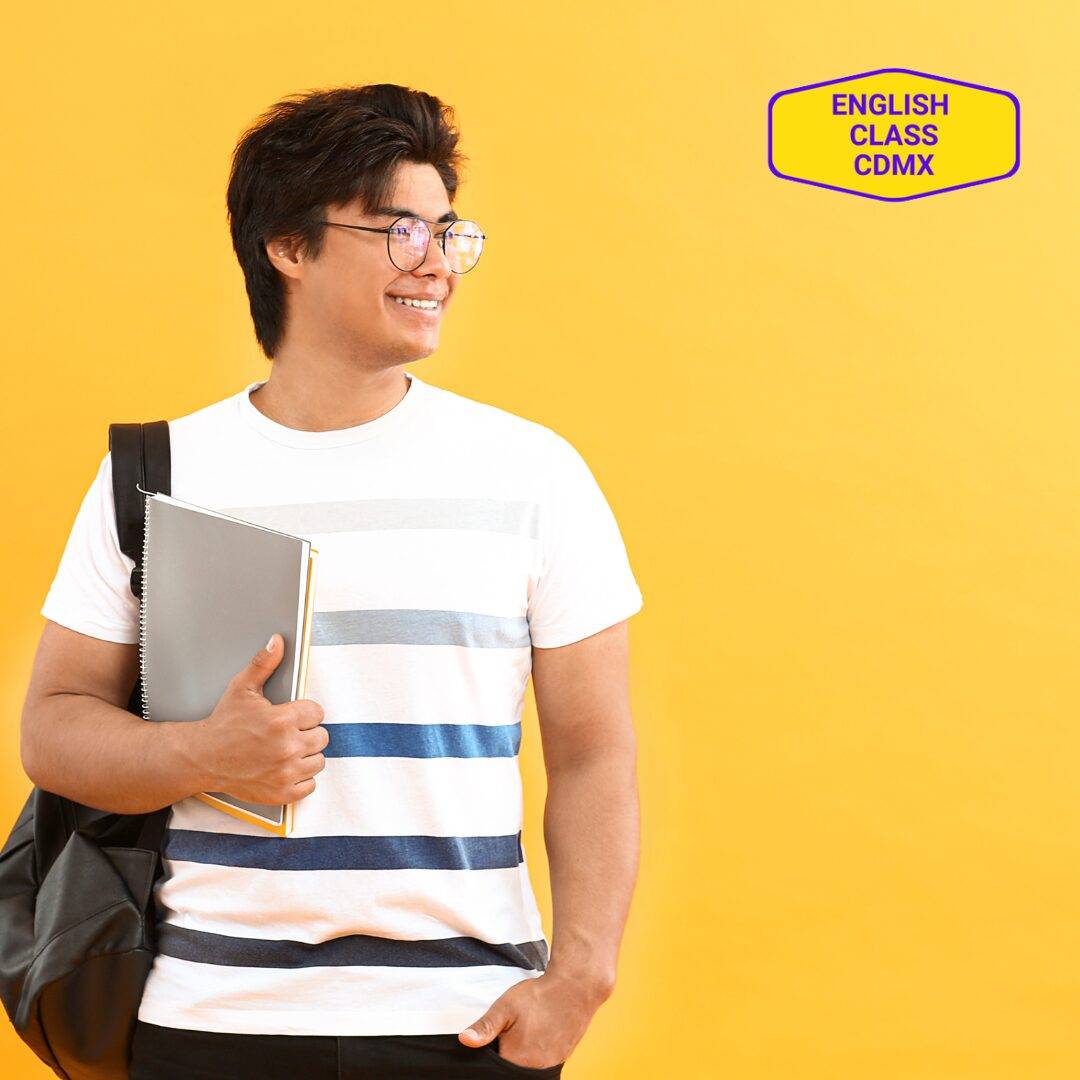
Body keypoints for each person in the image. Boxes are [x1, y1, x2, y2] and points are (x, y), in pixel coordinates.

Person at [21, 83, 644, 1079]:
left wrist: (580, 977)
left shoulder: (532, 473)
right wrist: (202, 753)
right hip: (209, 1021)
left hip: (469, 1026)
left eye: (449, 232)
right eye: (401, 230)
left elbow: (595, 752)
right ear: (290, 246)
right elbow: (52, 730)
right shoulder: (162, 470)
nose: (437, 262)